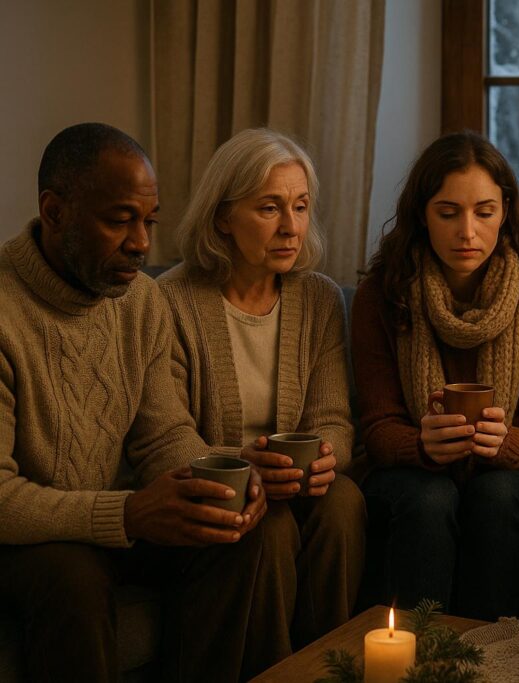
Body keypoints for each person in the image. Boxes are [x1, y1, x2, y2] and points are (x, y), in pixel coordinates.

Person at [0, 122, 291, 681]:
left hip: (113, 525)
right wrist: (127, 513)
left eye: (148, 222)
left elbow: (163, 435)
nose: (141, 243)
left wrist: (223, 477)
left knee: (241, 531)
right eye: (119, 220)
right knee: (73, 575)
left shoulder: (141, 301)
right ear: (54, 211)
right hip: (28, 542)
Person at [158, 128, 365, 649]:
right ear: (223, 217)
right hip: (217, 490)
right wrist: (240, 465)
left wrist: (323, 457)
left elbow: (334, 420)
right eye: (269, 208)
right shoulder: (168, 301)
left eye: (300, 207)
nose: (292, 227)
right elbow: (164, 432)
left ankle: (328, 667)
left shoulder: (318, 298)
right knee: (267, 527)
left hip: (297, 486)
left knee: (344, 501)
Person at [352, 131, 519, 621]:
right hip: (412, 472)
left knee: (495, 494)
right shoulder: (381, 296)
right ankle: (420, 654)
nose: (467, 232)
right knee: (430, 496)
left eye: (484, 212)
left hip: (511, 475)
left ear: (506, 211)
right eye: (448, 213)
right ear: (421, 214)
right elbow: (378, 427)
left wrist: (505, 443)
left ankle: (491, 657)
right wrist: (420, 446)